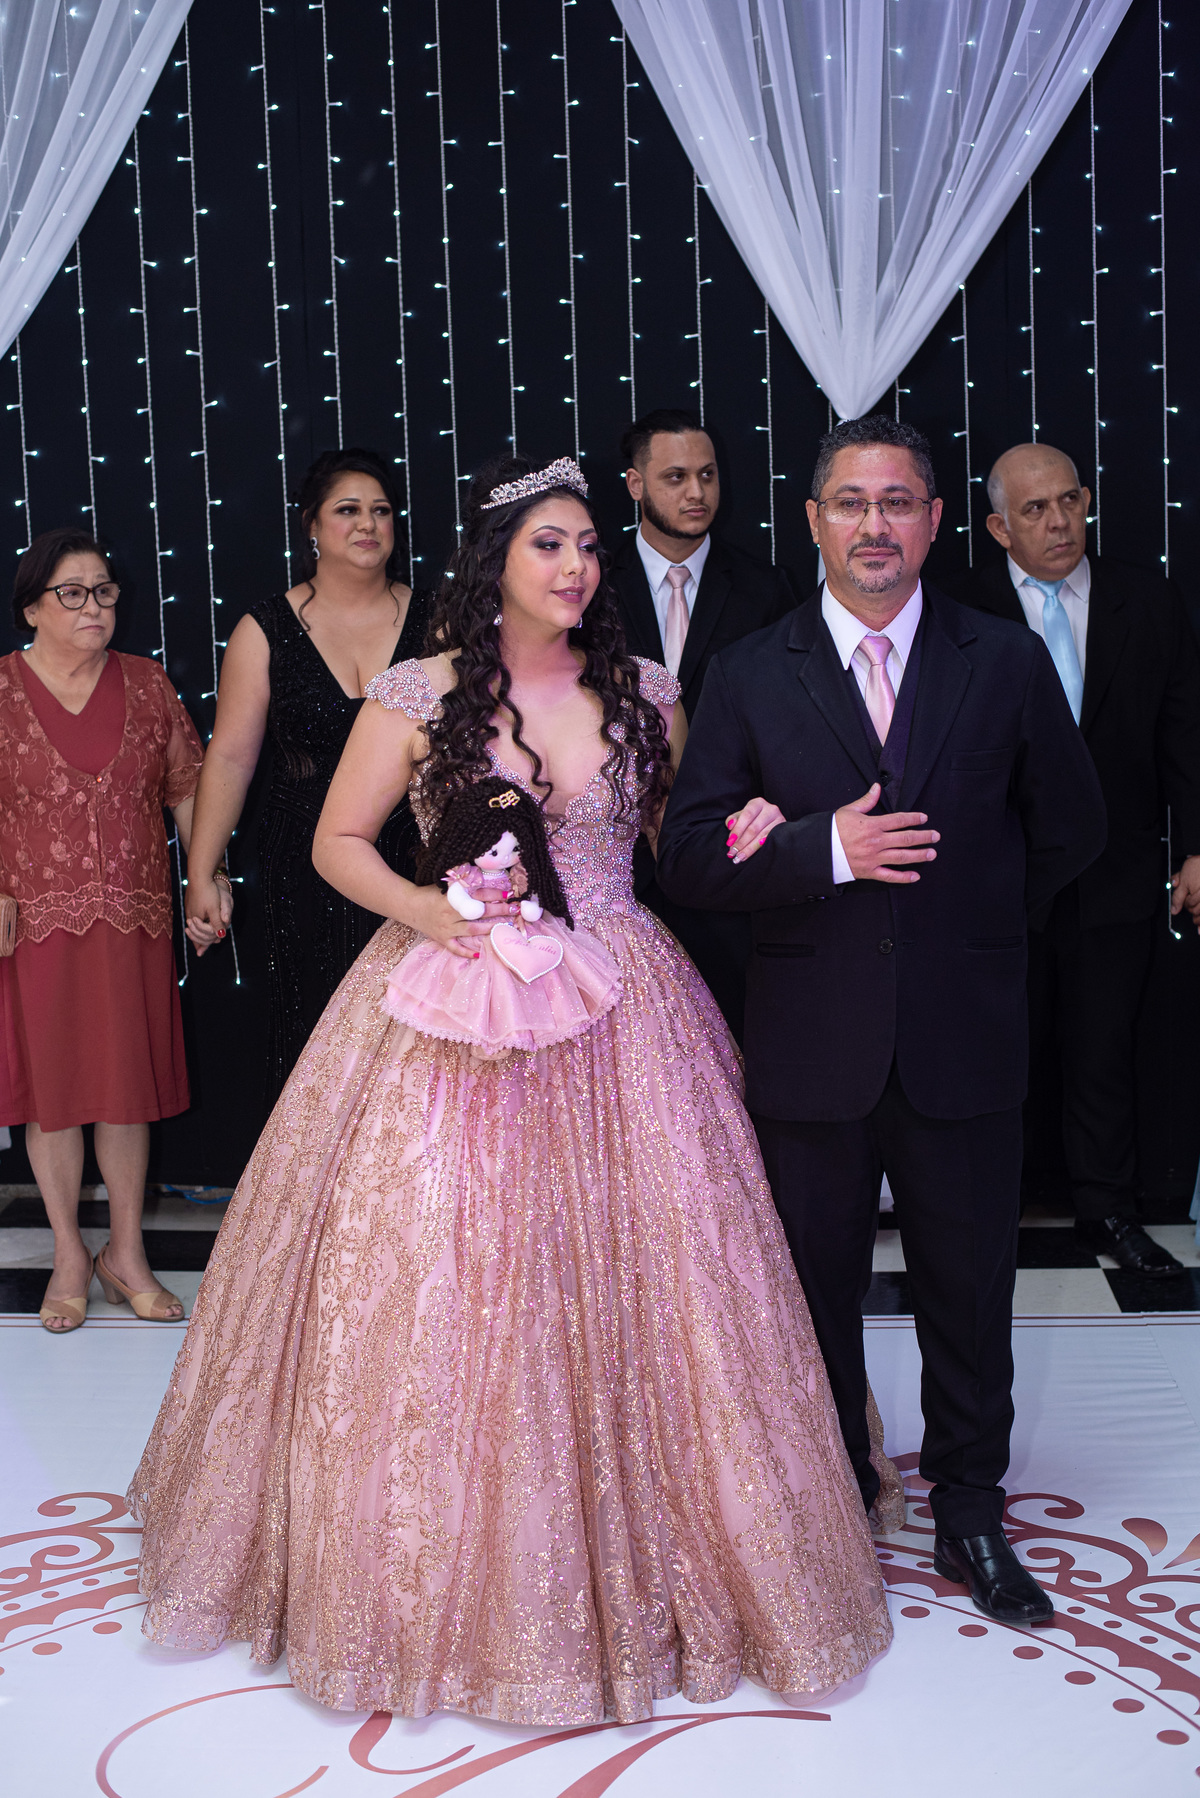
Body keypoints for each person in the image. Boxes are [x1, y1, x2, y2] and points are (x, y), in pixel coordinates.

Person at [130, 454, 897, 1723]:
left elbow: (680, 848)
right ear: (496, 563)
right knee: (447, 1265)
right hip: (456, 999)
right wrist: (435, 912)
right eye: (550, 544)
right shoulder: (419, 692)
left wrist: (757, 831)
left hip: (623, 996)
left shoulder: (646, 690)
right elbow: (333, 843)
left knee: (672, 1273)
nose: (577, 566)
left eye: (589, 546)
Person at [658, 416, 1107, 1626]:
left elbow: (1073, 827)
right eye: (851, 502)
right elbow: (689, 854)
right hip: (811, 1038)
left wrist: (974, 916)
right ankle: (833, 1501)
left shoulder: (1001, 657)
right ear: (813, 520)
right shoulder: (750, 669)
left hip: (968, 1029)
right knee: (811, 1291)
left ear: (936, 521)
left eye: (898, 501)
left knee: (971, 1286)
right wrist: (824, 853)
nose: (874, 525)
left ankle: (970, 1509)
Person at [946, 443, 1200, 1278]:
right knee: (998, 1050)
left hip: (1116, 868)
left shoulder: (1147, 598)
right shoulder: (958, 607)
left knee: (1103, 1049)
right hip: (996, 876)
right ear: (998, 528)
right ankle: (991, 1210)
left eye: (1069, 500)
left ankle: (1108, 1210)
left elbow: (1185, 731)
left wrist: (1196, 846)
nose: (1059, 522)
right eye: (1035, 509)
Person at [0, 529, 214, 1330]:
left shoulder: (146, 683)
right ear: (32, 608)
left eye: (104, 591)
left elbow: (187, 787)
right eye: (73, 593)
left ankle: (126, 1253)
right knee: (53, 1097)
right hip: (33, 925)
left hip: (134, 917)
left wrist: (206, 875)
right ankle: (67, 1253)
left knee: (126, 1091)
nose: (94, 606)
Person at [183, 448, 433, 1099]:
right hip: (302, 870)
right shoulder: (264, 629)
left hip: (415, 861)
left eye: (382, 511)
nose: (368, 524)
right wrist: (202, 872)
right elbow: (231, 758)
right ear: (312, 525)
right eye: (348, 510)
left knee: (416, 1045)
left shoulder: (439, 622)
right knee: (316, 1047)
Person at [608, 408, 797, 1038]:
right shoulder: (588, 585)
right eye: (676, 477)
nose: (697, 492)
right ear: (635, 484)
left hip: (730, 855)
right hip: (615, 861)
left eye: (708, 475)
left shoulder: (767, 588)